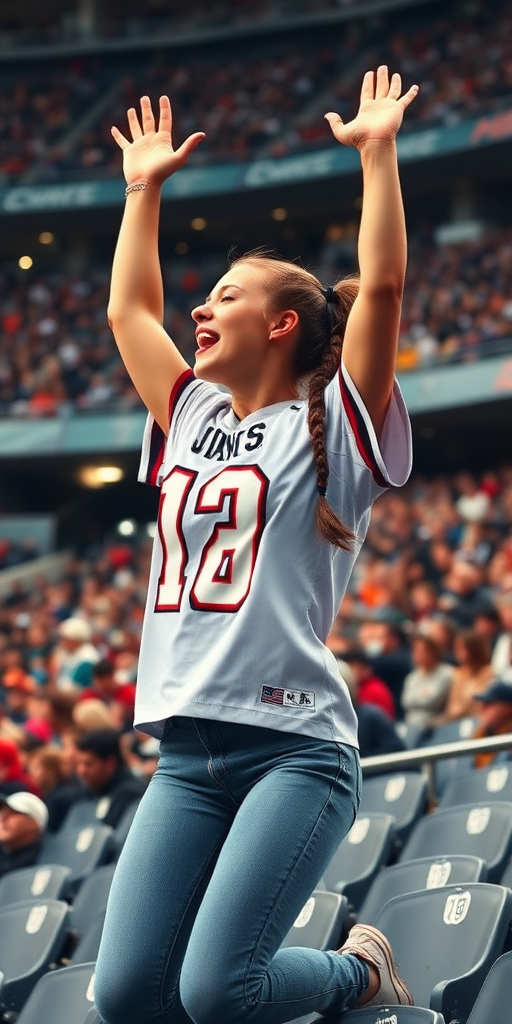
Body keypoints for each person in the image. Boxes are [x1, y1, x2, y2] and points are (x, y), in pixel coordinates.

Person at [95, 66, 418, 1024]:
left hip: (295, 751)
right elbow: (128, 313)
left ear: (281, 324)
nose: (201, 309)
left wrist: (377, 154)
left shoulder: (334, 428)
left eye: (224, 296)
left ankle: (360, 969)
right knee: (126, 996)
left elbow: (386, 285)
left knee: (219, 989)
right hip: (187, 754)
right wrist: (141, 190)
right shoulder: (189, 413)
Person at [0, 791, 48, 877]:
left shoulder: (46, 858)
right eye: (2, 812)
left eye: (14, 812)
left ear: (34, 822)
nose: (3, 817)